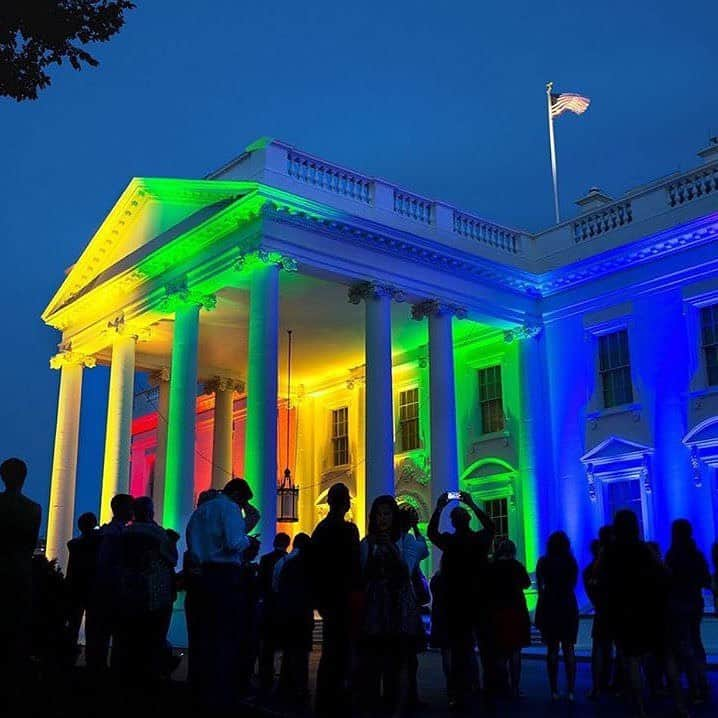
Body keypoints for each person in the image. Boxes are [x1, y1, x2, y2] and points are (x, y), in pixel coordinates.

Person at [599, 510, 686, 718]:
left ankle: (640, 709)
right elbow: (665, 575)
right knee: (666, 658)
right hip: (652, 610)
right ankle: (681, 706)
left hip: (626, 614)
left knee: (632, 662)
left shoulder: (610, 555)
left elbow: (605, 586)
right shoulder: (644, 550)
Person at [185, 478, 259, 710]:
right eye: (243, 500)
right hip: (224, 577)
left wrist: (248, 512)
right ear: (237, 495)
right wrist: (248, 542)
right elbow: (234, 542)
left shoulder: (200, 512)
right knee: (225, 637)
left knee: (200, 637)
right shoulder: (228, 508)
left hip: (200, 578)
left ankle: (198, 689)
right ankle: (222, 692)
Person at [427, 491, 495, 709]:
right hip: (479, 600)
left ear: (454, 523)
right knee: (483, 648)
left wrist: (439, 507)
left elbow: (431, 533)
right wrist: (473, 504)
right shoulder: (478, 540)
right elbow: (491, 527)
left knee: (459, 650)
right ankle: (483, 687)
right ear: (467, 520)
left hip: (457, 603)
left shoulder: (451, 542)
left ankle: (458, 692)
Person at [358, 495, 417, 714]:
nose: (382, 519)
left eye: (387, 514)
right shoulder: (367, 544)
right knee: (374, 660)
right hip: (375, 606)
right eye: (378, 514)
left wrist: (391, 548)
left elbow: (406, 572)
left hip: (399, 606)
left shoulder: (405, 541)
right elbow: (362, 575)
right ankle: (373, 706)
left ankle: (397, 708)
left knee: (398, 661)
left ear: (394, 516)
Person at [310, 482, 361, 717]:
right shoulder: (349, 530)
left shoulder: (319, 529)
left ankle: (324, 699)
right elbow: (354, 565)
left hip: (326, 598)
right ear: (346, 503)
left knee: (331, 652)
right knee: (343, 651)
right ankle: (340, 697)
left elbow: (314, 566)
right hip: (344, 596)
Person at [116, 496, 178, 686]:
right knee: (153, 637)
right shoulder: (159, 535)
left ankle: (126, 677)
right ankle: (150, 677)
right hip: (154, 594)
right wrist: (173, 541)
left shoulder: (123, 533)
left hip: (128, 591)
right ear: (149, 512)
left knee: (130, 637)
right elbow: (171, 559)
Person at [0, 457, 41, 701]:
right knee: (16, 631)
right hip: (20, 575)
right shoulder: (33, 508)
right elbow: (29, 542)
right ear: (24, 478)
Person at [85, 492, 134, 674]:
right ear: (123, 510)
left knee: (100, 639)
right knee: (112, 638)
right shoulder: (117, 535)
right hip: (112, 593)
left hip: (103, 592)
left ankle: (97, 674)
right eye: (131, 507)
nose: (133, 511)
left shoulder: (107, 532)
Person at [665, 518, 711, 703]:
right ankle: (702, 680)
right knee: (696, 640)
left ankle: (693, 685)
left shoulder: (672, 555)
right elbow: (705, 579)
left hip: (678, 604)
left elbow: (667, 580)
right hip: (695, 602)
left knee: (685, 644)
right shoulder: (696, 554)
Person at [534, 530, 579, 702]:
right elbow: (573, 583)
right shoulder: (570, 562)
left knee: (552, 649)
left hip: (550, 604)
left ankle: (554, 690)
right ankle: (571, 690)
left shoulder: (543, 562)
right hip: (567, 604)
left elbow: (540, 586)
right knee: (569, 649)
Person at [487, 539, 531, 698]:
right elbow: (526, 584)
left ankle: (502, 685)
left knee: (500, 652)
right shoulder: (517, 566)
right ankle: (515, 688)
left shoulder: (491, 567)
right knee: (515, 651)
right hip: (516, 611)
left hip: (497, 612)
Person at [275, 533, 315, 707]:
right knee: (302, 655)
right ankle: (300, 690)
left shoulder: (283, 562)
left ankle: (285, 689)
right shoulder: (310, 565)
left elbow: (275, 586)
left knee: (289, 652)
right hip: (303, 614)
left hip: (286, 613)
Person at [398, 504, 429, 708]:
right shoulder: (410, 541)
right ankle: (409, 695)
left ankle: (399, 694)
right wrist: (416, 528)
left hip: (392, 602)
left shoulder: (388, 541)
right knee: (409, 656)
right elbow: (424, 550)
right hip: (407, 602)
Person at [258, 532, 291, 693]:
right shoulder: (289, 560)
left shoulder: (265, 560)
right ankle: (283, 678)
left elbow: (262, 583)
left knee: (267, 645)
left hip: (268, 606)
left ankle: (265, 675)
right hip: (283, 607)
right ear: (287, 544)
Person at [583, 526, 614, 699]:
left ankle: (598, 685)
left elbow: (591, 591)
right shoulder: (612, 564)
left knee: (601, 647)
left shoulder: (591, 569)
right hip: (614, 609)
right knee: (609, 647)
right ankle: (608, 683)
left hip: (602, 610)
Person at [65, 512, 101, 652]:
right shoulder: (98, 543)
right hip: (93, 590)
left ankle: (68, 655)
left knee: (73, 625)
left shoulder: (74, 544)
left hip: (76, 589)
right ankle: (92, 659)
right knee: (93, 627)